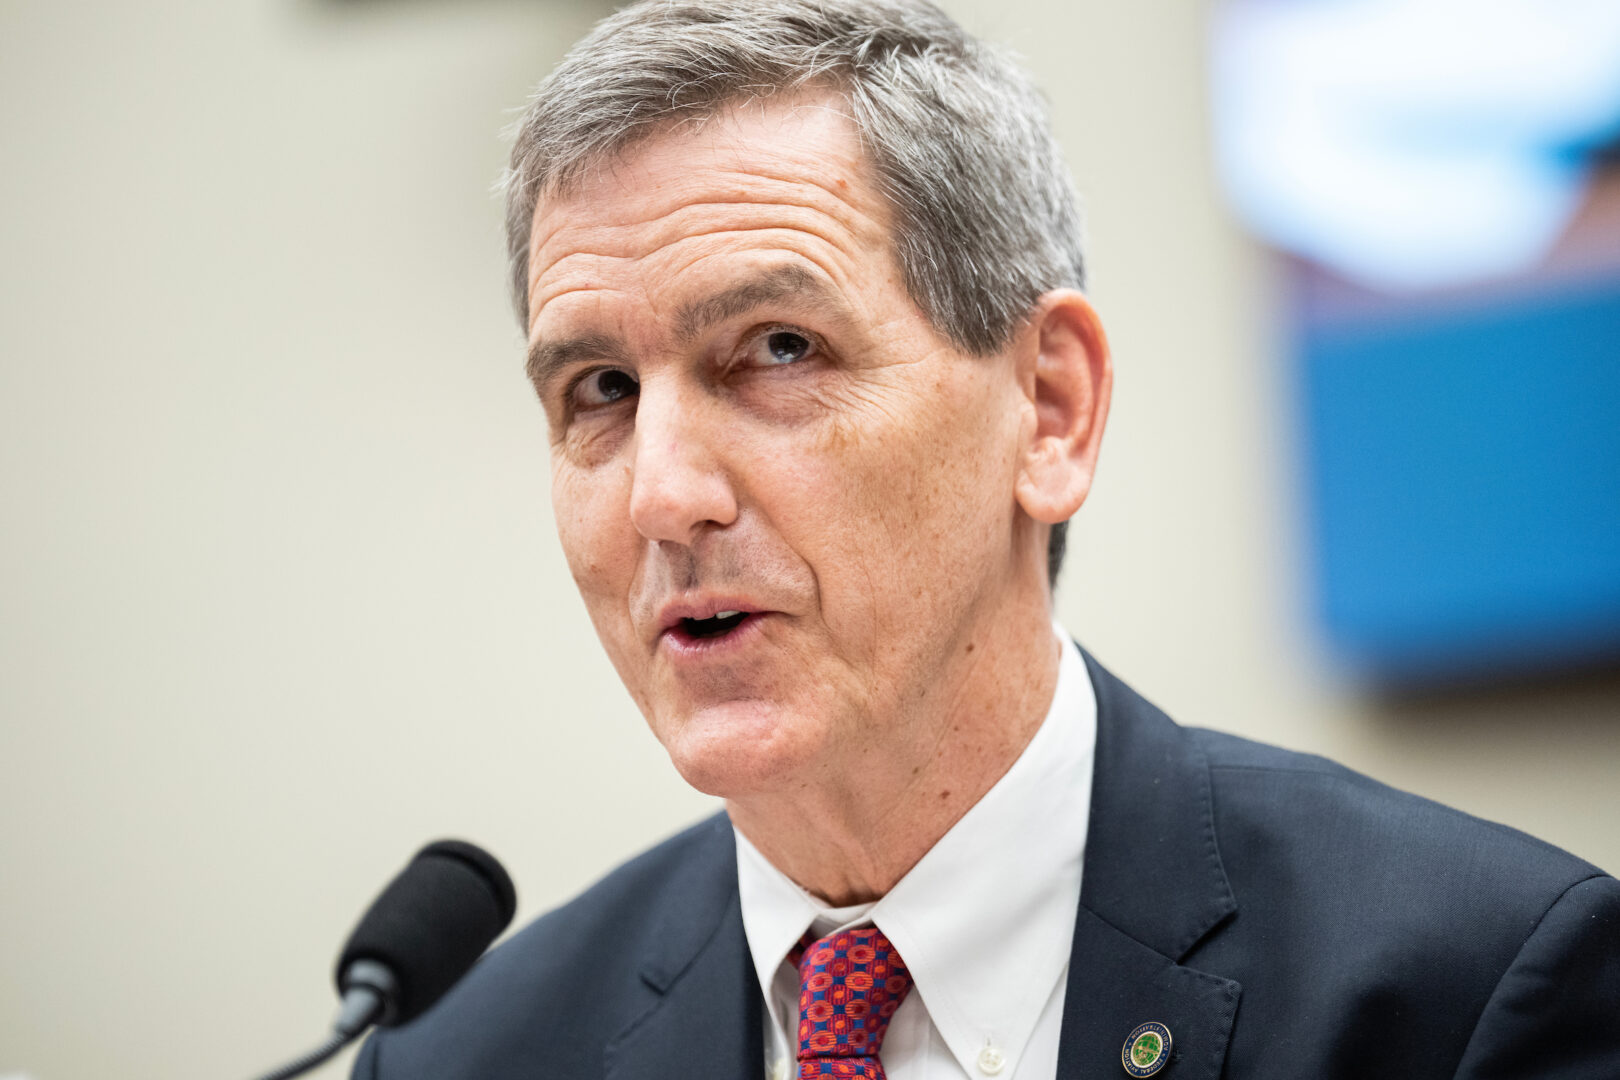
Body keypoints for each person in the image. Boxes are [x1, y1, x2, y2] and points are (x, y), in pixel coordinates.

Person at [354, 1, 1620, 1077]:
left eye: (778, 349)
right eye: (599, 392)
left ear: (1049, 408)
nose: (660, 496)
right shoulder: (464, 1052)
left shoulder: (1470, 988)